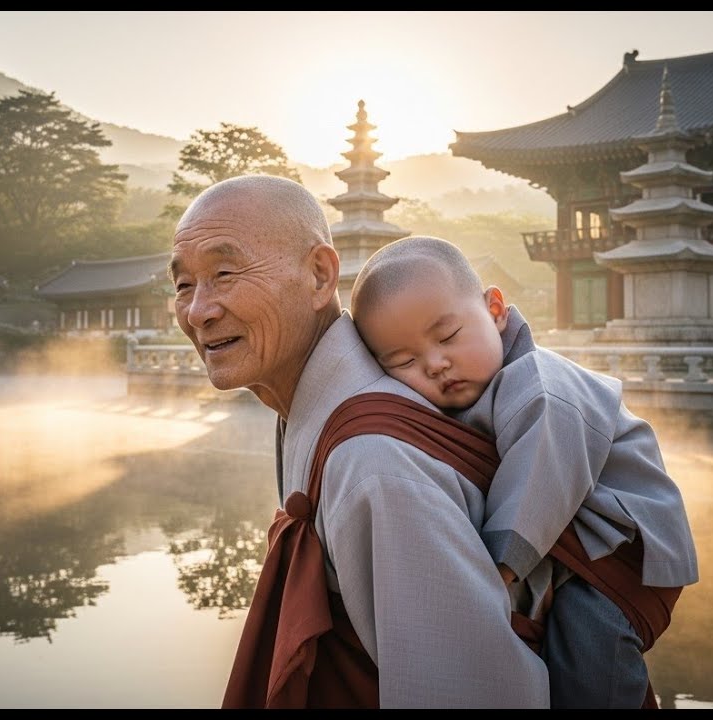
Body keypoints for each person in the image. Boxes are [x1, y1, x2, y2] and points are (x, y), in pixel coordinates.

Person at [168, 175, 549, 708]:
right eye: (184, 285)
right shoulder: (308, 410)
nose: (198, 311)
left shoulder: (373, 460)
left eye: (225, 274)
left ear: (320, 275)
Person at [348, 235, 698, 709]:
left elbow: (541, 479)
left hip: (621, 550)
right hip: (574, 551)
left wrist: (495, 574)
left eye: (448, 336)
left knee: (590, 667)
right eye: (404, 361)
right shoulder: (470, 395)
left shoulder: (541, 383)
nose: (435, 363)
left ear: (494, 309)